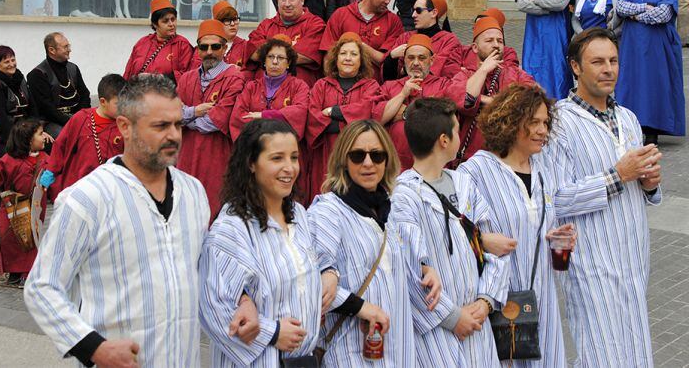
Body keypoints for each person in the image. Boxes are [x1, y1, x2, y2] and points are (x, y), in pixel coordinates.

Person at [25, 74, 239, 367]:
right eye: (160, 126)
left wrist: (243, 301)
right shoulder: (87, 198)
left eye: (177, 124)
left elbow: (209, 270)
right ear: (125, 126)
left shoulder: (193, 192)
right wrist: (94, 348)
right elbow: (42, 286)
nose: (174, 136)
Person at [461, 84, 608, 367]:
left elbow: (538, 227)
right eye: (534, 123)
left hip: (542, 301)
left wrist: (555, 239)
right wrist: (482, 240)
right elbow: (456, 231)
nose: (542, 130)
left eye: (545, 123)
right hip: (498, 302)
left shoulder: (544, 169)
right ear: (511, 123)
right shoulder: (476, 171)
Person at [542, 28, 663, 368]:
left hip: (633, 260)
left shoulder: (628, 119)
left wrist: (650, 184)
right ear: (575, 67)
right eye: (597, 62)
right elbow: (555, 199)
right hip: (590, 262)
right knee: (600, 355)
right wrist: (617, 176)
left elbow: (641, 186)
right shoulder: (559, 123)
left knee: (636, 353)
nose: (608, 69)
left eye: (613, 61)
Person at [200, 119, 328, 367]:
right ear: (251, 163)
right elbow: (214, 306)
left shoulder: (299, 215)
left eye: (294, 157)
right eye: (277, 158)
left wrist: (330, 272)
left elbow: (317, 264)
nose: (289, 168)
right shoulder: (232, 228)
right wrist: (273, 332)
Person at [391, 98, 508, 367]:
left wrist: (486, 300)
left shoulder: (464, 183)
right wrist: (453, 317)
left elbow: (495, 246)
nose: (459, 134)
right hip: (437, 334)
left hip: (478, 324)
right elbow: (410, 270)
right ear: (444, 140)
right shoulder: (403, 195)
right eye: (456, 130)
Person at [307, 119, 425, 367]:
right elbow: (314, 281)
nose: (368, 163)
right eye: (358, 155)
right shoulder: (328, 210)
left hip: (397, 348)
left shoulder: (388, 209)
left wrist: (426, 268)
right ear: (343, 160)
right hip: (349, 350)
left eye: (377, 155)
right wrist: (361, 307)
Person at [615, 0, 686, 145]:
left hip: (657, 49)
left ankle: (652, 128)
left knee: (655, 84)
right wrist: (644, 8)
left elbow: (662, 15)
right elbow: (620, 7)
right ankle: (631, 126)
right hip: (631, 49)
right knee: (631, 83)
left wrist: (634, 16)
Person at [177, 20, 245, 216]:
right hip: (186, 157)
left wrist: (185, 115)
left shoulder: (235, 78)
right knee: (186, 211)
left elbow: (215, 121)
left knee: (214, 210)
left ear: (224, 48)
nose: (209, 52)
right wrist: (195, 111)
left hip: (217, 157)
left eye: (215, 47)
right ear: (197, 49)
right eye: (203, 47)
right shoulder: (187, 78)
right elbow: (172, 115)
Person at [448, 17, 535, 165]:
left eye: (500, 41)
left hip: (509, 158)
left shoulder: (517, 74)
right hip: (471, 160)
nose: (496, 45)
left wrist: (484, 100)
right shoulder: (463, 76)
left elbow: (530, 101)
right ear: (475, 48)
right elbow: (466, 102)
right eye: (489, 41)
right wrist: (483, 70)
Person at [306, 33, 382, 200]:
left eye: (354, 54)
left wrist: (334, 112)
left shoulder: (371, 86)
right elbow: (313, 116)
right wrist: (347, 122)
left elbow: (368, 112)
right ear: (336, 58)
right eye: (343, 53)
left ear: (361, 60)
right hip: (326, 152)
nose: (348, 58)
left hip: (357, 152)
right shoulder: (321, 86)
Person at [39, 74, 126, 201]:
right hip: (77, 186)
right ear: (103, 101)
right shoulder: (81, 118)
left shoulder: (125, 125)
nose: (123, 107)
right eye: (118, 103)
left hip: (110, 190)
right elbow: (60, 145)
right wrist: (51, 171)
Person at [0, 118, 48, 287]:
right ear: (29, 140)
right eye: (40, 134)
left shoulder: (45, 158)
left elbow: (53, 178)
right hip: (11, 208)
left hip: (34, 208)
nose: (44, 137)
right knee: (10, 240)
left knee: (30, 241)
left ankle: (28, 272)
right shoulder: (9, 159)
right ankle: (14, 272)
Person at [375, 34, 455, 171]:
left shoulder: (444, 85)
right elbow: (378, 119)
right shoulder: (389, 86)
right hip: (394, 167)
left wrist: (403, 113)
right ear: (404, 60)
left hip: (432, 167)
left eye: (422, 58)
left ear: (432, 60)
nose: (416, 63)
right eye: (411, 58)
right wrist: (402, 94)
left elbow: (441, 118)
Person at [322, 0, 403, 83]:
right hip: (341, 87)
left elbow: (389, 61)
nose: (388, 1)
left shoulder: (393, 21)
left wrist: (361, 46)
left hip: (376, 88)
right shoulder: (341, 15)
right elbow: (328, 56)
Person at [516, 0, 575, 99]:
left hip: (557, 37)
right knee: (532, 70)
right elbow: (521, 4)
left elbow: (561, 4)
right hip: (534, 37)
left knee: (557, 71)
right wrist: (549, 8)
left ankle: (559, 108)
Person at [248, 0, 326, 88]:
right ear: (277, 1)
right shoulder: (265, 25)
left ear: (302, 0)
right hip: (263, 90)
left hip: (299, 90)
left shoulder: (315, 24)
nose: (287, 4)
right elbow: (253, 53)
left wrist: (268, 53)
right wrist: (291, 51)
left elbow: (306, 56)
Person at [230, 36, 310, 141]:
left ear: (288, 63)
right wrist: (277, 118)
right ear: (264, 61)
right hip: (254, 146)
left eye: (281, 58)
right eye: (271, 57)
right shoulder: (251, 87)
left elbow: (299, 112)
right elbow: (238, 117)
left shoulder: (299, 86)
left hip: (285, 145)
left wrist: (263, 115)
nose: (275, 62)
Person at [384, 0, 462, 81]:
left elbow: (447, 73)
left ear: (434, 13)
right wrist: (392, 56)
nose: (413, 15)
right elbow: (389, 77)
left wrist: (405, 70)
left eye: (418, 10)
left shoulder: (449, 41)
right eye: (413, 10)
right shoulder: (405, 37)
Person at [27, 32, 91, 139]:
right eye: (65, 47)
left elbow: (84, 94)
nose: (69, 50)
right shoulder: (37, 74)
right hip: (52, 122)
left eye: (68, 46)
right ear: (52, 50)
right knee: (66, 137)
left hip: (77, 117)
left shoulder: (73, 68)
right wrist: (72, 122)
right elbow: (46, 108)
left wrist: (81, 117)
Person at [123, 0, 194, 80]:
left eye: (173, 19)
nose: (171, 24)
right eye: (165, 21)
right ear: (155, 24)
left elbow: (187, 76)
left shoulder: (182, 45)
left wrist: (160, 78)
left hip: (167, 88)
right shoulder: (142, 43)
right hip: (138, 88)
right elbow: (128, 73)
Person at [190, 0, 252, 76]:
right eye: (227, 20)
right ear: (217, 23)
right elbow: (195, 71)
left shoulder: (246, 46)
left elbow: (250, 74)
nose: (232, 24)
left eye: (235, 19)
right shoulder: (204, 46)